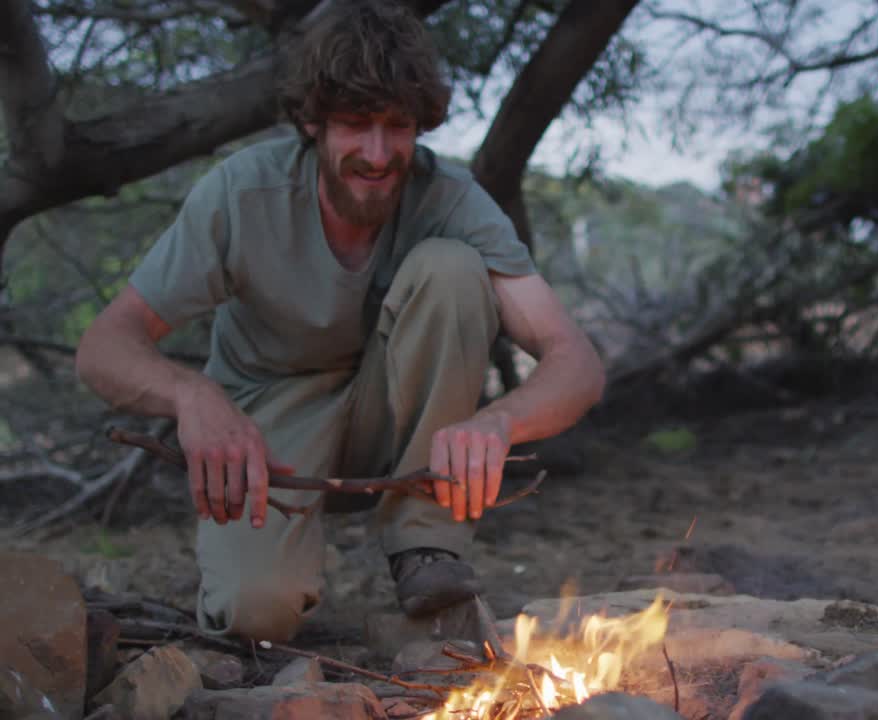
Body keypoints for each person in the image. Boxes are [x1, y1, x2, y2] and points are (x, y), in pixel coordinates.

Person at [74, 0, 605, 643]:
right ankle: (272, 586)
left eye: (398, 126)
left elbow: (573, 359)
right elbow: (104, 346)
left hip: (401, 417)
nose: (378, 154)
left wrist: (498, 421)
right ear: (312, 123)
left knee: (451, 269)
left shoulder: (451, 199)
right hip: (271, 422)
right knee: (254, 616)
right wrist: (193, 395)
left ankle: (425, 545)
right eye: (355, 124)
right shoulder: (243, 194)